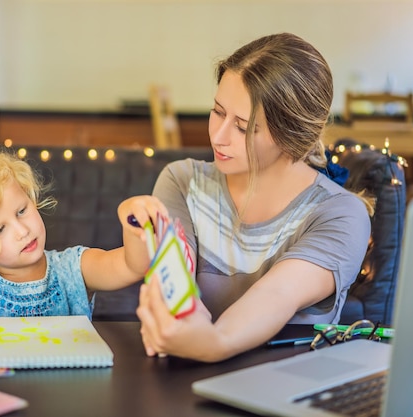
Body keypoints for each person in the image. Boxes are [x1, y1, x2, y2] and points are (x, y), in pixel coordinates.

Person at [129, 33, 373, 362]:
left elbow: (277, 294)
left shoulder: (341, 215)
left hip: (287, 390)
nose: (218, 135)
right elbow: (178, 282)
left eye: (243, 128)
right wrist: (180, 318)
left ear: (293, 138)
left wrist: (212, 342)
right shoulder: (182, 181)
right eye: (217, 111)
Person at [0, 146, 158, 327]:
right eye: (0, 229)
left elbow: (132, 266)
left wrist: (134, 221)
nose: (23, 231)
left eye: (22, 211)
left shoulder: (74, 269)